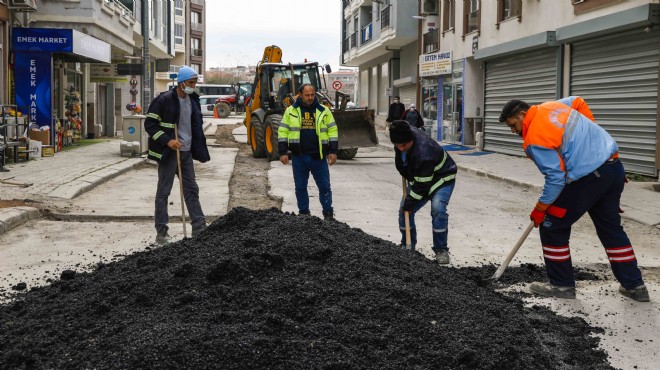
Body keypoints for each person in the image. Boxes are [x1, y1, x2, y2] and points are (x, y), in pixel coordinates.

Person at [499, 96, 649, 302]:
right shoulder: (552, 106)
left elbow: (555, 178)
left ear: (523, 115)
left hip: (588, 179)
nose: (513, 131)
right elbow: (578, 101)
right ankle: (635, 286)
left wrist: (541, 208)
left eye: (513, 125)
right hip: (613, 169)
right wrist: (591, 140)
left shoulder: (534, 138)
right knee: (611, 229)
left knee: (552, 226)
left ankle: (561, 286)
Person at [144, 66, 211, 244]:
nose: (193, 85)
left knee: (191, 189)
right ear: (181, 83)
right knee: (164, 191)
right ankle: (162, 231)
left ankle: (199, 226)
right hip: (169, 153)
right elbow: (150, 124)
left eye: (195, 82)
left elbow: (195, 126)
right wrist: (167, 140)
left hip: (186, 152)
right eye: (191, 82)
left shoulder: (193, 100)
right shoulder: (164, 100)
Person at [389, 120, 457, 264]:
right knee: (404, 212)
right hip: (421, 178)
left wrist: (410, 202)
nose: (400, 149)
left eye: (404, 146)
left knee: (438, 209)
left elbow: (422, 186)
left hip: (442, 178)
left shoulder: (424, 152)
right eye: (397, 145)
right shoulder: (403, 136)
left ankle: (441, 249)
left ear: (411, 140)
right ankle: (408, 245)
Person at [278, 84, 338, 220]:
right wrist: (282, 152)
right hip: (299, 157)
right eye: (307, 95)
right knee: (300, 187)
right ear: (300, 95)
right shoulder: (291, 111)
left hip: (319, 157)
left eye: (312, 95)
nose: (310, 98)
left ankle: (328, 214)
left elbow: (332, 131)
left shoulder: (324, 111)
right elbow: (283, 132)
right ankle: (304, 214)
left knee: (324, 187)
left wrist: (333, 151)